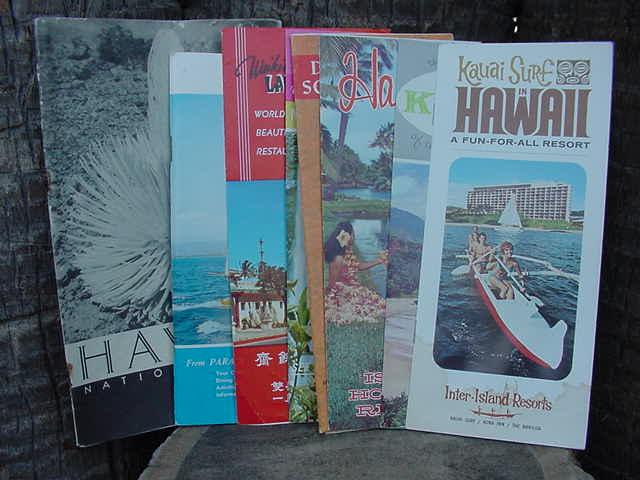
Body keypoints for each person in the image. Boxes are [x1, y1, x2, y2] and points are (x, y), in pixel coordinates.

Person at [324, 221, 387, 325]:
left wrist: (378, 261)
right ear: (347, 236)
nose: (354, 237)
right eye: (353, 234)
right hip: (344, 292)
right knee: (375, 306)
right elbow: (333, 283)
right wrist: (331, 296)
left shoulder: (347, 252)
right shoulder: (338, 258)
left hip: (353, 289)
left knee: (379, 304)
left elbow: (358, 266)